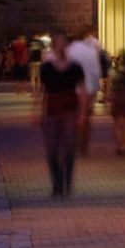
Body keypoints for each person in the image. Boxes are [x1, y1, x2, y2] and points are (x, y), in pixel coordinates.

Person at [35, 37, 85, 196]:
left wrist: (82, 113)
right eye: (59, 45)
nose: (61, 48)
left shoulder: (76, 67)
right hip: (52, 110)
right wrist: (37, 111)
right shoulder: (47, 68)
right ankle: (57, 182)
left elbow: (82, 90)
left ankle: (67, 182)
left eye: (64, 45)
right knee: (52, 150)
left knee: (69, 148)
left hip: (70, 110)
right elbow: (41, 91)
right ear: (54, 48)